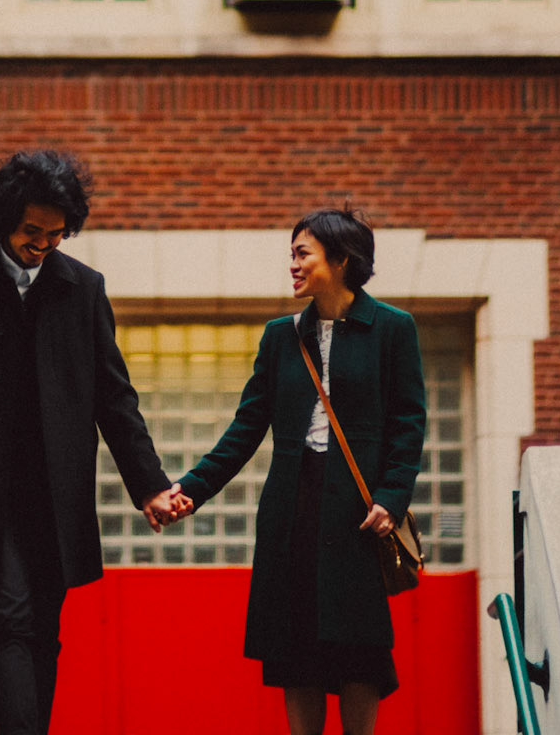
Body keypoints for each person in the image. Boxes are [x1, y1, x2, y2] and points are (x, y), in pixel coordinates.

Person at [0, 148, 185, 735]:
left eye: (57, 235)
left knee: (44, 629)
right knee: (8, 618)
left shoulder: (81, 288)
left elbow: (115, 397)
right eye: (33, 233)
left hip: (55, 490)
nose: (43, 246)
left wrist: (150, 486)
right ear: (3, 219)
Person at [165, 208, 426, 735]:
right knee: (295, 645)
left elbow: (408, 423)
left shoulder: (393, 329)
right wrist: (189, 489)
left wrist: (391, 496)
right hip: (292, 506)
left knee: (359, 649)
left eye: (302, 253)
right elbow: (246, 428)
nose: (293, 264)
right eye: (293, 254)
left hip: (359, 511)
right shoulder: (281, 336)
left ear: (341, 259)